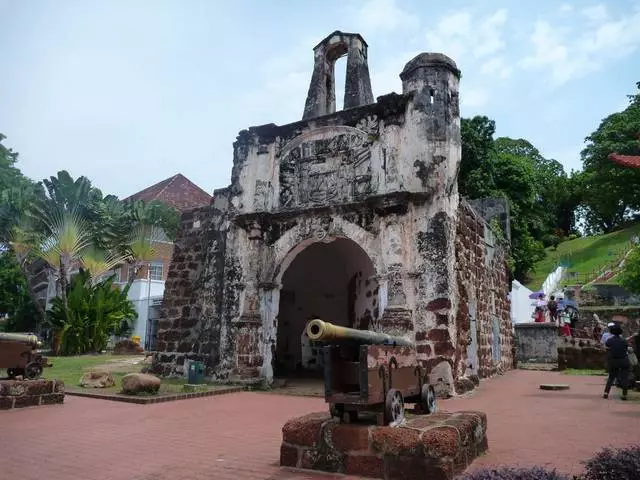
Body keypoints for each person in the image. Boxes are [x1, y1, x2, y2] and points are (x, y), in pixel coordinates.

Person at [603, 324, 630, 400]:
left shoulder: (610, 340)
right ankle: (624, 394)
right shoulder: (624, 340)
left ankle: (606, 392)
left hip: (614, 361)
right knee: (624, 378)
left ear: (612, 332)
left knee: (611, 377)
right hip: (624, 360)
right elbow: (626, 347)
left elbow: (607, 346)